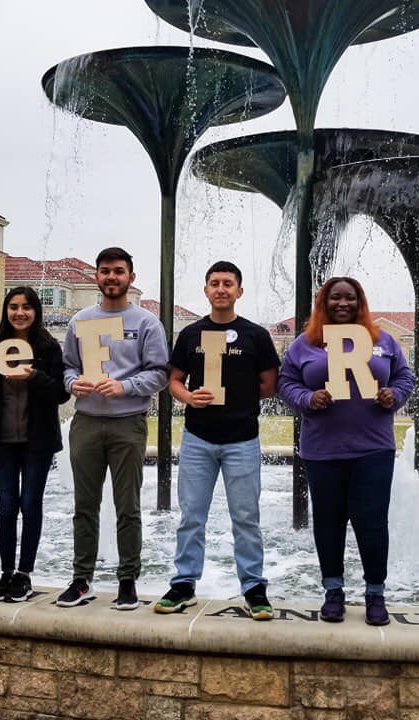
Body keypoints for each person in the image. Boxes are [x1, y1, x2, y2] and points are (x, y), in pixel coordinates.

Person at [278, 277, 414, 625]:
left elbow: (404, 378)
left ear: (360, 302)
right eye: (334, 297)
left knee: (371, 523)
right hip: (323, 449)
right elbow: (286, 383)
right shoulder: (305, 344)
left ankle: (375, 593)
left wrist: (393, 396)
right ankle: (333, 591)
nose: (343, 304)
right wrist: (308, 399)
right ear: (323, 303)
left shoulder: (381, 340)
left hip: (373, 448)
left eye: (349, 298)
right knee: (329, 522)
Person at [153, 261, 280, 620]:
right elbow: (174, 379)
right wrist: (188, 397)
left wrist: (240, 395)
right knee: (191, 515)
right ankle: (184, 584)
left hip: (242, 438)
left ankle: (254, 587)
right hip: (198, 438)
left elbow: (270, 383)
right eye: (214, 283)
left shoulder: (256, 335)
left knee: (246, 516)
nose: (221, 288)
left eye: (228, 283)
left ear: (239, 291)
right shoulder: (191, 334)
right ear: (206, 290)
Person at [58, 248, 168, 610]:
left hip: (128, 423)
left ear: (131, 277)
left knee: (128, 507)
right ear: (97, 276)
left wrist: (125, 387)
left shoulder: (147, 322)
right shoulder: (81, 321)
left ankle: (127, 581)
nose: (111, 277)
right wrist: (73, 384)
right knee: (84, 505)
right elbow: (67, 368)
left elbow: (159, 374)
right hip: (87, 421)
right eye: (105, 271)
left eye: (118, 271)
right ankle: (81, 579)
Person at [0, 286, 70, 602]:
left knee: (30, 504)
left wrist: (34, 377)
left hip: (36, 441)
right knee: (6, 507)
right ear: (6, 310)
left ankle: (24, 574)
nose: (20, 312)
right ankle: (5, 572)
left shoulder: (48, 347)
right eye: (13, 306)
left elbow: (61, 393)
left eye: (26, 307)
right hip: (1, 442)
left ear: (35, 311)